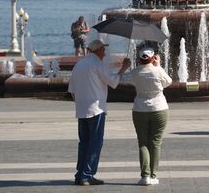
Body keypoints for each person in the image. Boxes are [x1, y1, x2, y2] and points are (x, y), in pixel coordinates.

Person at [68, 40, 131, 186]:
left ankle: (80, 174)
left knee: (84, 143)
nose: (105, 52)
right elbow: (114, 81)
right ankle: (86, 175)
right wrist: (123, 68)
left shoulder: (80, 64)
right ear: (98, 50)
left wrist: (80, 104)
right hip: (96, 109)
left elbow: (72, 90)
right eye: (103, 49)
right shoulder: (97, 64)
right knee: (95, 143)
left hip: (82, 110)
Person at [130, 47, 172, 186]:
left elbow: (133, 83)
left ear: (140, 58)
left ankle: (145, 176)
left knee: (142, 142)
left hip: (140, 109)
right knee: (155, 142)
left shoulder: (135, 72)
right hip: (159, 108)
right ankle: (153, 175)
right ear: (153, 57)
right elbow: (168, 82)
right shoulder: (157, 70)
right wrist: (158, 65)